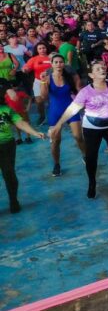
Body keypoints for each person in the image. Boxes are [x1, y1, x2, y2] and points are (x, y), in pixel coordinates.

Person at [49, 60, 108, 198]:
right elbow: (72, 109)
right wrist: (58, 124)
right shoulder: (85, 92)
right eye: (98, 69)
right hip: (92, 127)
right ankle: (92, 183)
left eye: (103, 67)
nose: (102, 69)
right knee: (91, 157)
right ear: (91, 75)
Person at [0, 79, 46, 213]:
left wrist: (34, 132)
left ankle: (13, 200)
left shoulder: (6, 110)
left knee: (9, 174)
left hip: (6, 145)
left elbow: (20, 123)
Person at [41, 54, 86, 176]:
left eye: (61, 62)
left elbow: (79, 90)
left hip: (71, 109)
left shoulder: (70, 76)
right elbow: (43, 97)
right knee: (56, 141)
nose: (58, 64)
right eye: (56, 62)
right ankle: (56, 164)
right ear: (51, 64)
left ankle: (86, 156)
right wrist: (43, 83)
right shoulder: (48, 78)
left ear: (64, 63)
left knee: (78, 136)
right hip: (55, 111)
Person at [22, 42, 52, 125]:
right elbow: (26, 67)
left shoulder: (51, 57)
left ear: (46, 48)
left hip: (52, 81)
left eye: (44, 48)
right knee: (39, 101)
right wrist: (25, 69)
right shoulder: (34, 59)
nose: (42, 50)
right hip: (38, 82)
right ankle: (42, 116)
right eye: (40, 48)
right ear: (37, 50)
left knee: (52, 100)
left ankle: (55, 116)